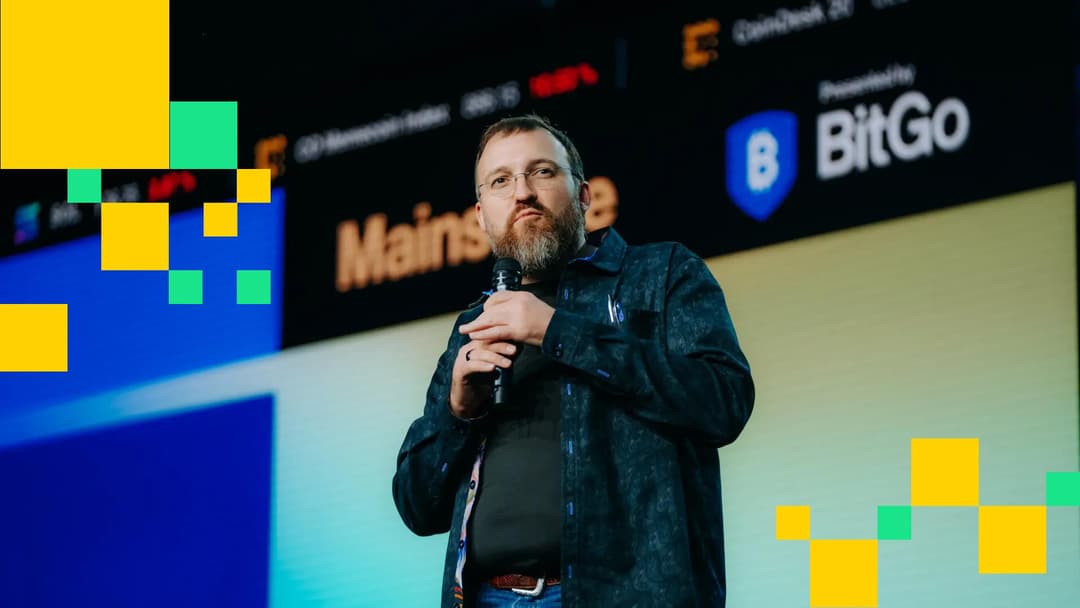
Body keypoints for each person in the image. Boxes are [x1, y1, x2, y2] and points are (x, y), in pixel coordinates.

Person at [392, 114, 754, 607]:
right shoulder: (474, 325)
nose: (522, 192)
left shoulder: (659, 273)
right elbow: (417, 507)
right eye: (501, 181)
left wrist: (556, 331)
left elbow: (723, 401)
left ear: (584, 195)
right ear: (480, 216)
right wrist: (458, 413)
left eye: (541, 172)